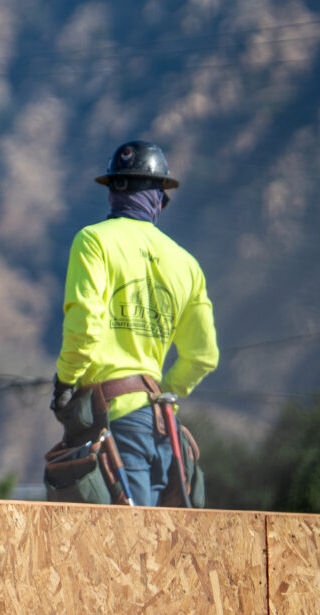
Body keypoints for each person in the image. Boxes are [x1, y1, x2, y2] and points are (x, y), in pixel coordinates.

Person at [51, 140, 219, 506]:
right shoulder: (186, 264)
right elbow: (203, 356)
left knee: (124, 555)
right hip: (162, 429)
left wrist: (65, 382)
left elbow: (85, 328)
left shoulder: (93, 241)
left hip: (115, 426)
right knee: (156, 552)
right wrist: (162, 395)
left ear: (114, 191)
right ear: (160, 198)